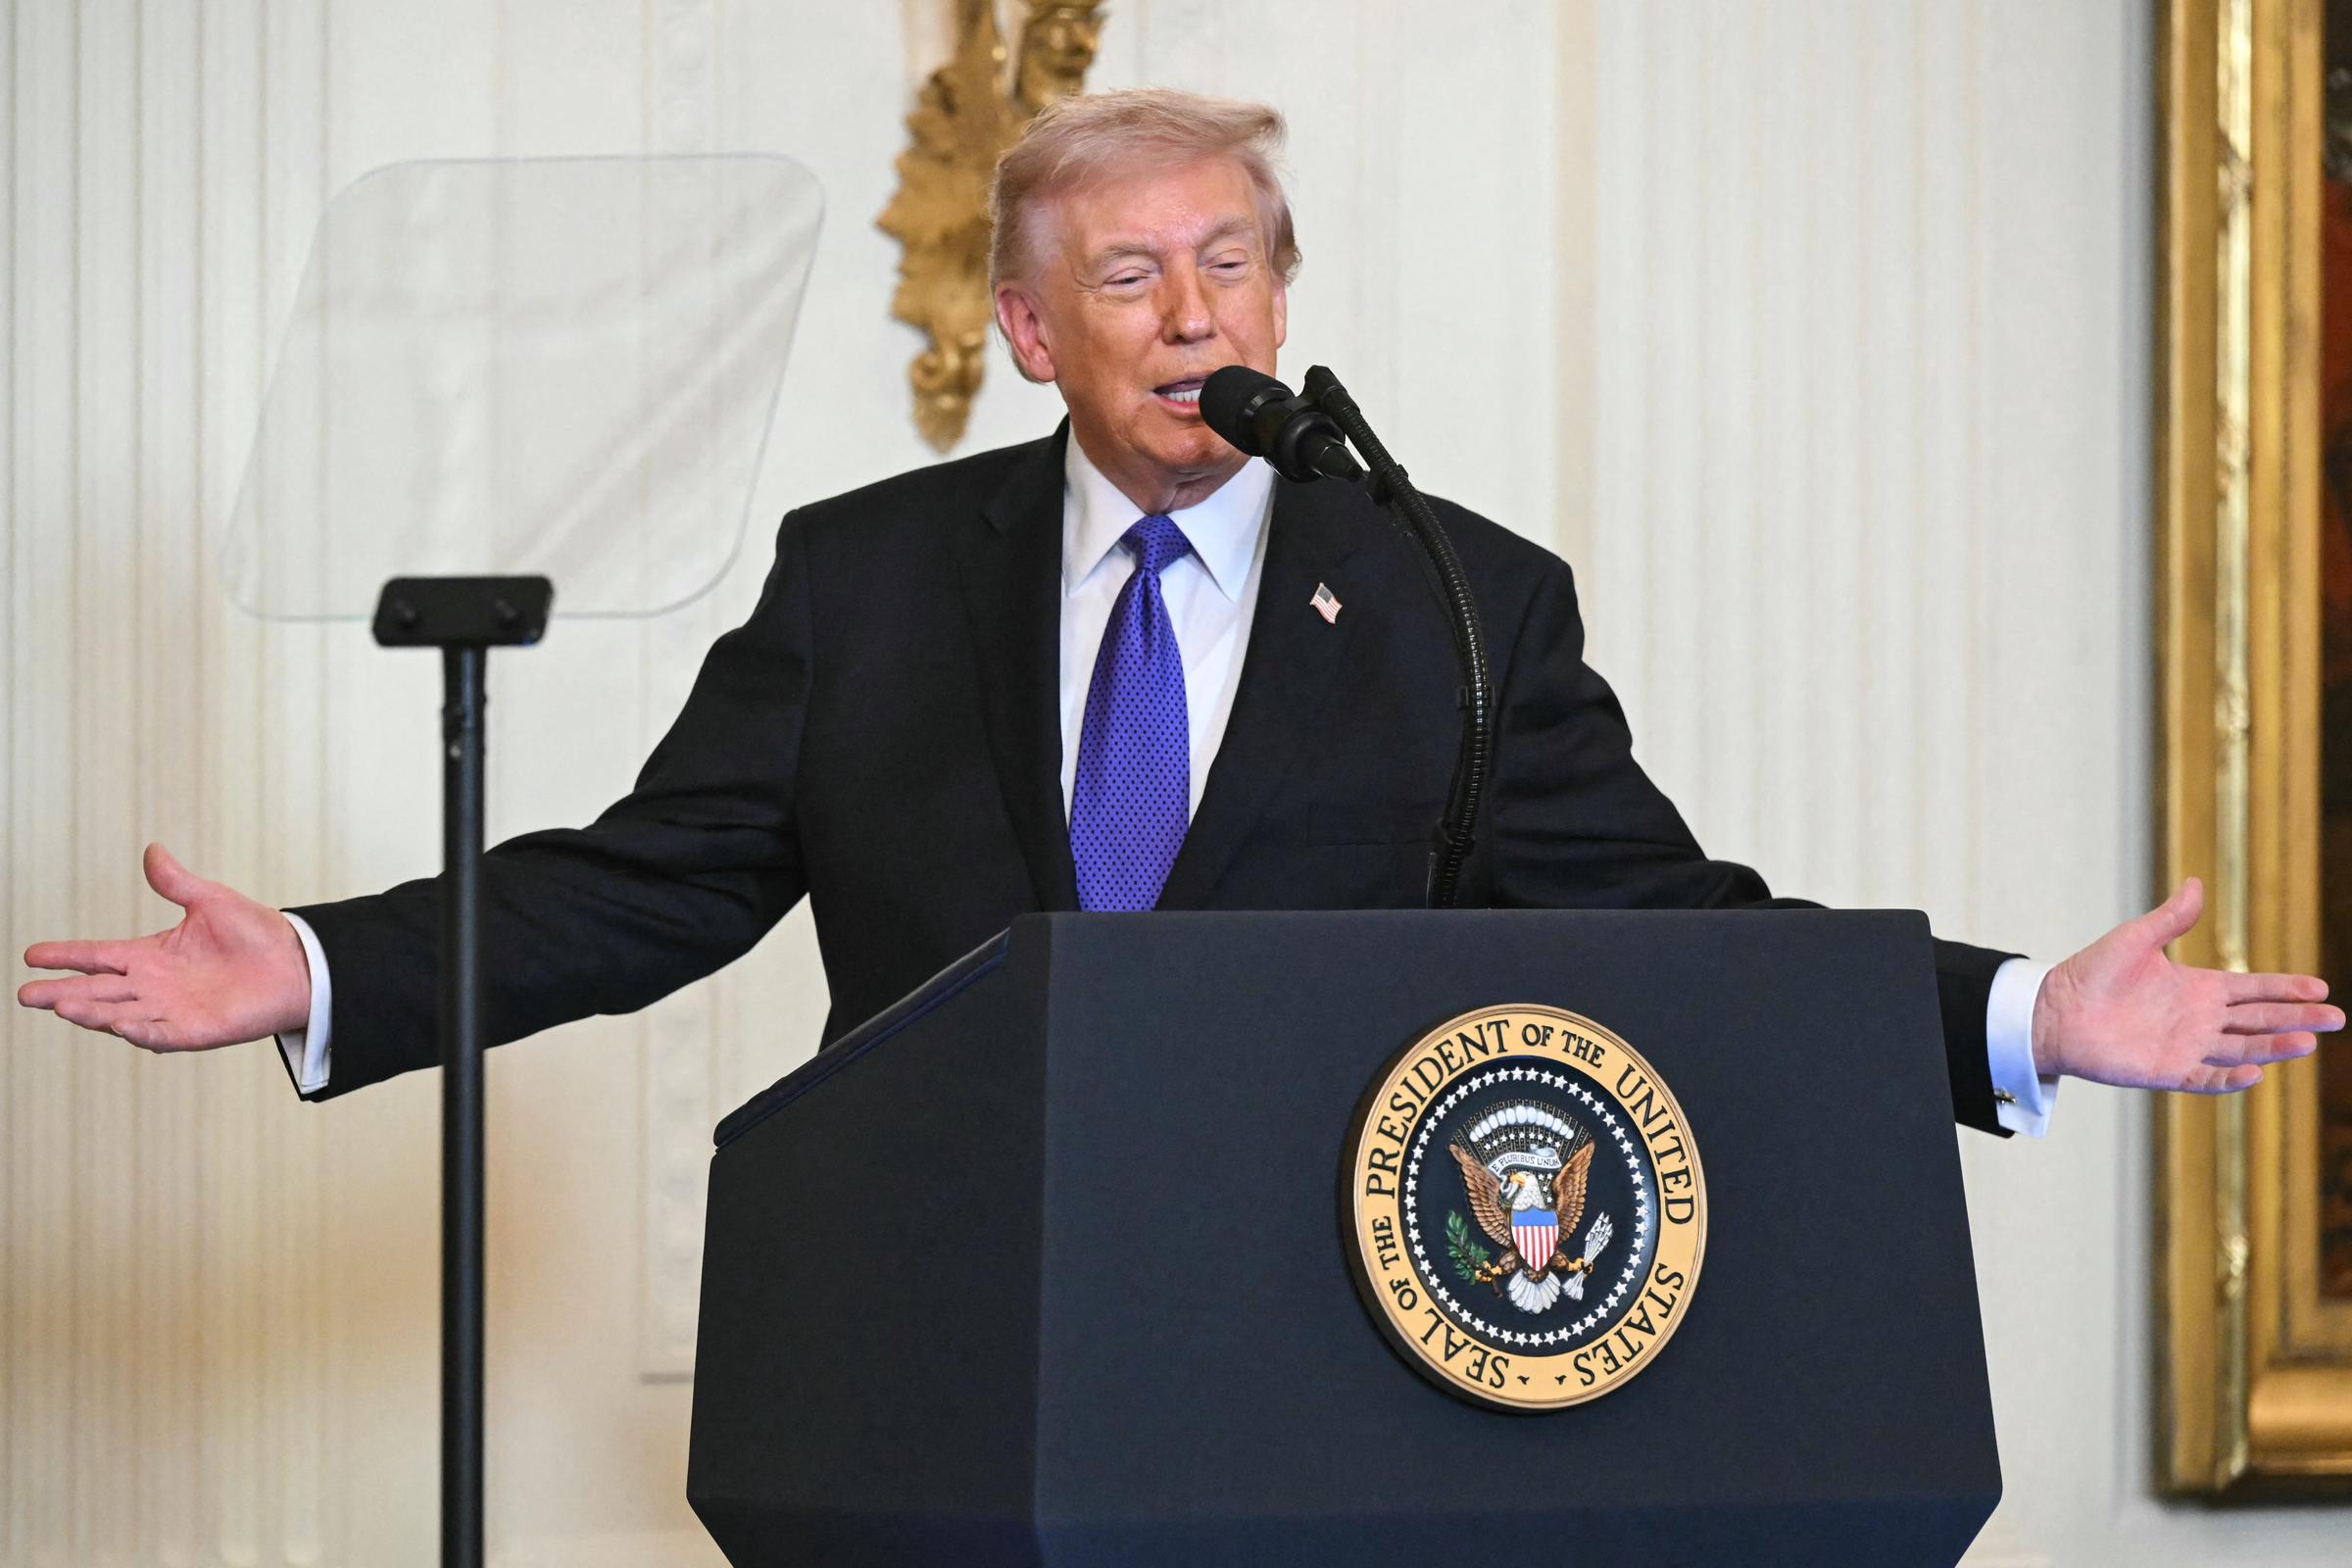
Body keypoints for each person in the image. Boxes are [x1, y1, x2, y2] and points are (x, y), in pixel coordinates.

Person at [15, 89, 2339, 1134]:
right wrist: (319, 964)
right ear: (1035, 331)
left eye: (1229, 260)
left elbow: (1670, 926)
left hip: (1320, 1335)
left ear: (1283, 293)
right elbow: (656, 888)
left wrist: (2023, 1012)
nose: (1189, 306)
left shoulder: (1449, 590)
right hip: (937, 1319)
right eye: (1128, 271)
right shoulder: (866, 580)